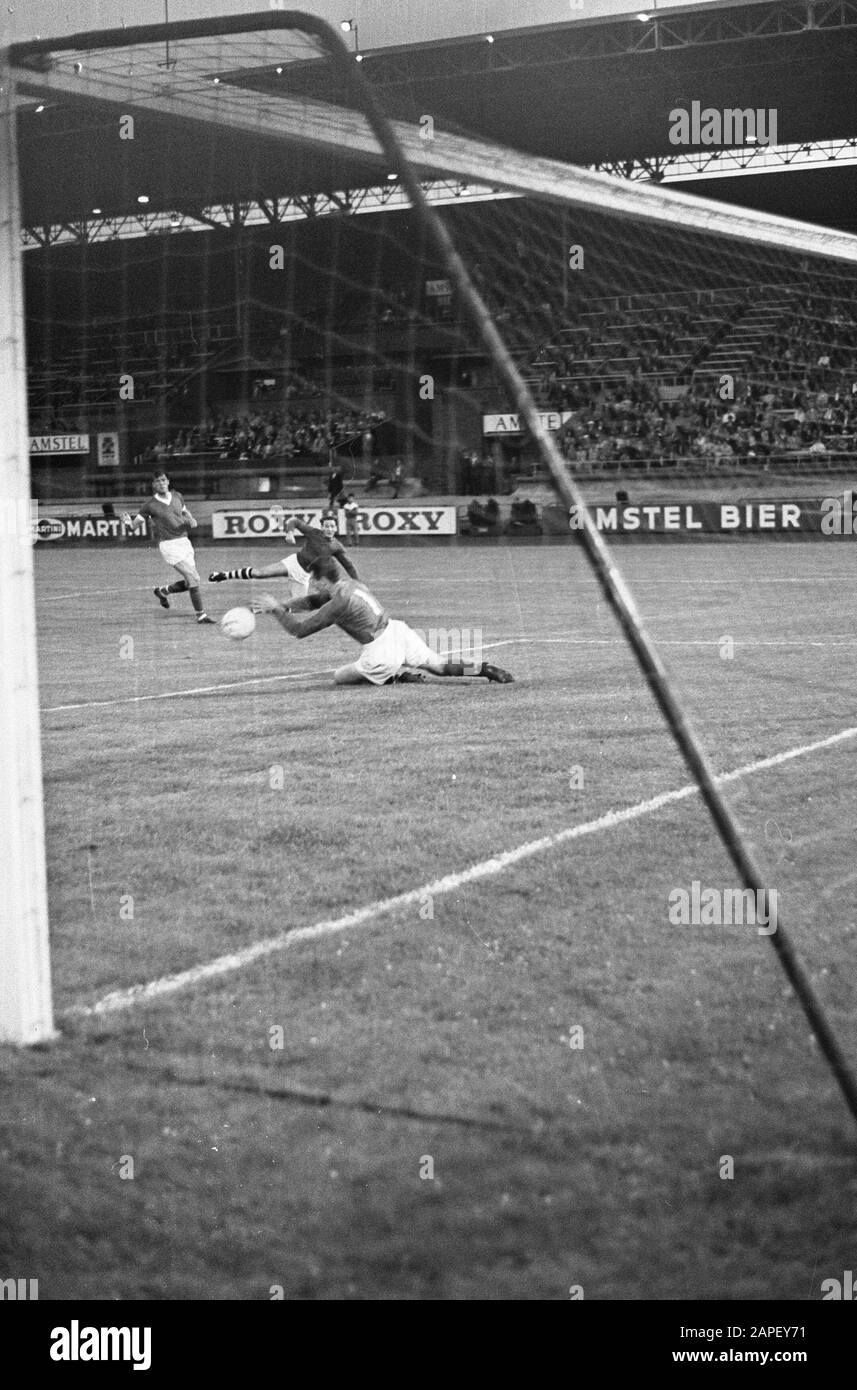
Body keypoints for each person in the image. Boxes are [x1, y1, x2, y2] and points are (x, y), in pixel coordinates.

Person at [251, 557, 514, 687]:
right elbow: (315, 601)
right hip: (398, 631)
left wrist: (276, 611)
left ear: (320, 579)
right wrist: (285, 605)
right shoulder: (350, 585)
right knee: (439, 665)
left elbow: (298, 631)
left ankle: (396, 676)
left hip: (381, 651)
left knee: (340, 677)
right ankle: (487, 670)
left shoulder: (339, 603)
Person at [122, 472, 214, 623]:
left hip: (184, 542)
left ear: (168, 481)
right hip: (169, 545)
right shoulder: (149, 505)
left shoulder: (177, 496)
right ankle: (201, 616)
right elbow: (133, 527)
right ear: (153, 485)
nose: (161, 483)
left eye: (163, 480)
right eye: (157, 481)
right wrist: (126, 522)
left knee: (190, 581)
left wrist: (190, 518)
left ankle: (163, 591)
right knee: (193, 578)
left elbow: (184, 511)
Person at [208, 514, 357, 596]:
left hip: (303, 576)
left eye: (332, 526)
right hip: (293, 563)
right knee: (260, 573)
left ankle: (261, 609)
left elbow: (348, 564)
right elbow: (294, 521)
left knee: (298, 608)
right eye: (327, 526)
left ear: (336, 528)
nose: (329, 529)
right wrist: (290, 532)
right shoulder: (313, 532)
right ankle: (223, 575)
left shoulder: (337, 546)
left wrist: (358, 582)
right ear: (322, 527)